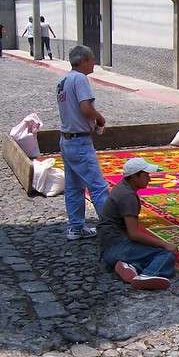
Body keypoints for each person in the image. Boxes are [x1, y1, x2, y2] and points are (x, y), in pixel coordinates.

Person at [99, 158, 177, 291]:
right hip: (118, 247)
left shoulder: (121, 187)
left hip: (107, 246)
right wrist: (164, 244)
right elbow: (134, 234)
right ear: (135, 176)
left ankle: (130, 266)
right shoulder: (128, 196)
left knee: (149, 250)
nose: (149, 179)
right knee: (166, 254)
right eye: (146, 175)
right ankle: (147, 275)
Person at [56, 45, 109, 241]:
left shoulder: (63, 80)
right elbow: (85, 108)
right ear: (84, 60)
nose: (94, 63)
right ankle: (111, 226)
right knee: (98, 186)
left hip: (66, 138)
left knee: (73, 186)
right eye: (92, 59)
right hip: (79, 140)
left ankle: (75, 226)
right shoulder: (80, 79)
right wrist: (100, 118)